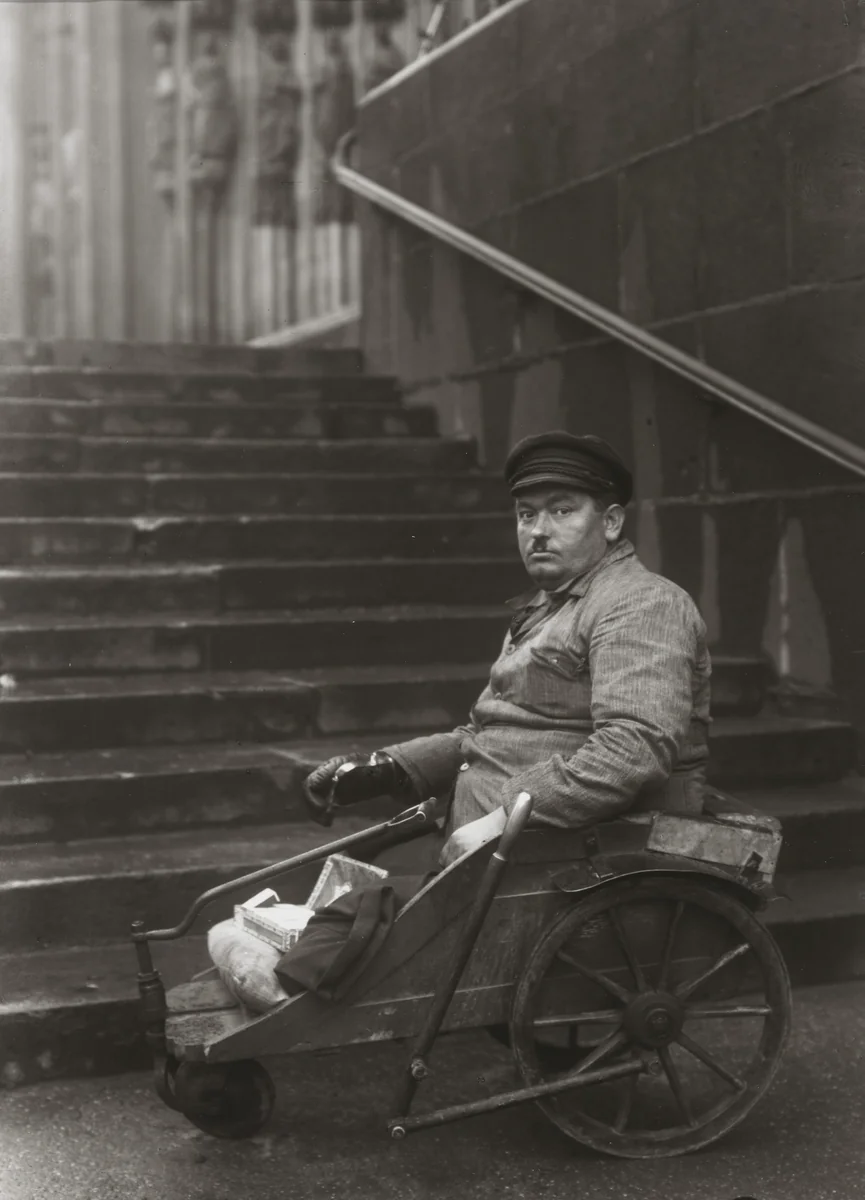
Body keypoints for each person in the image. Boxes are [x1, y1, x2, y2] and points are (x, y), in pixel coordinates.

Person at [303, 431, 711, 861]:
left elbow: (633, 750)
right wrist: (387, 766)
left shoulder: (641, 603)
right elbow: (492, 732)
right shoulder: (547, 606)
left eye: (562, 510)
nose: (538, 531)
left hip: (565, 861)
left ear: (610, 522)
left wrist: (500, 822)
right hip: (499, 858)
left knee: (337, 925)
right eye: (526, 514)